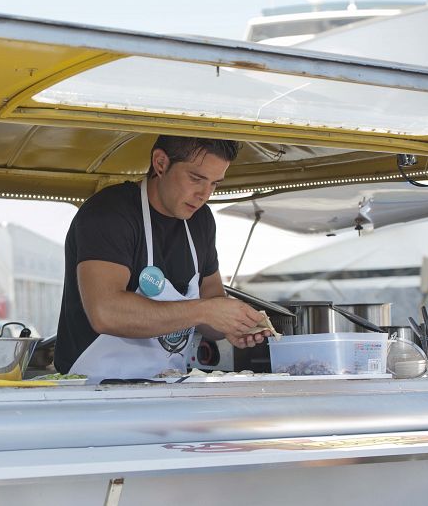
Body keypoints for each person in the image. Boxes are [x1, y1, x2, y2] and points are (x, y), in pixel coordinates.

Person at [54, 135, 269, 378]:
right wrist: (204, 311)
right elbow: (106, 312)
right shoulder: (110, 213)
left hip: (167, 385)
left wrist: (234, 324)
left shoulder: (201, 221)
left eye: (214, 184)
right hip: (92, 390)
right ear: (160, 163)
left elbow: (212, 300)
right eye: (196, 178)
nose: (204, 194)